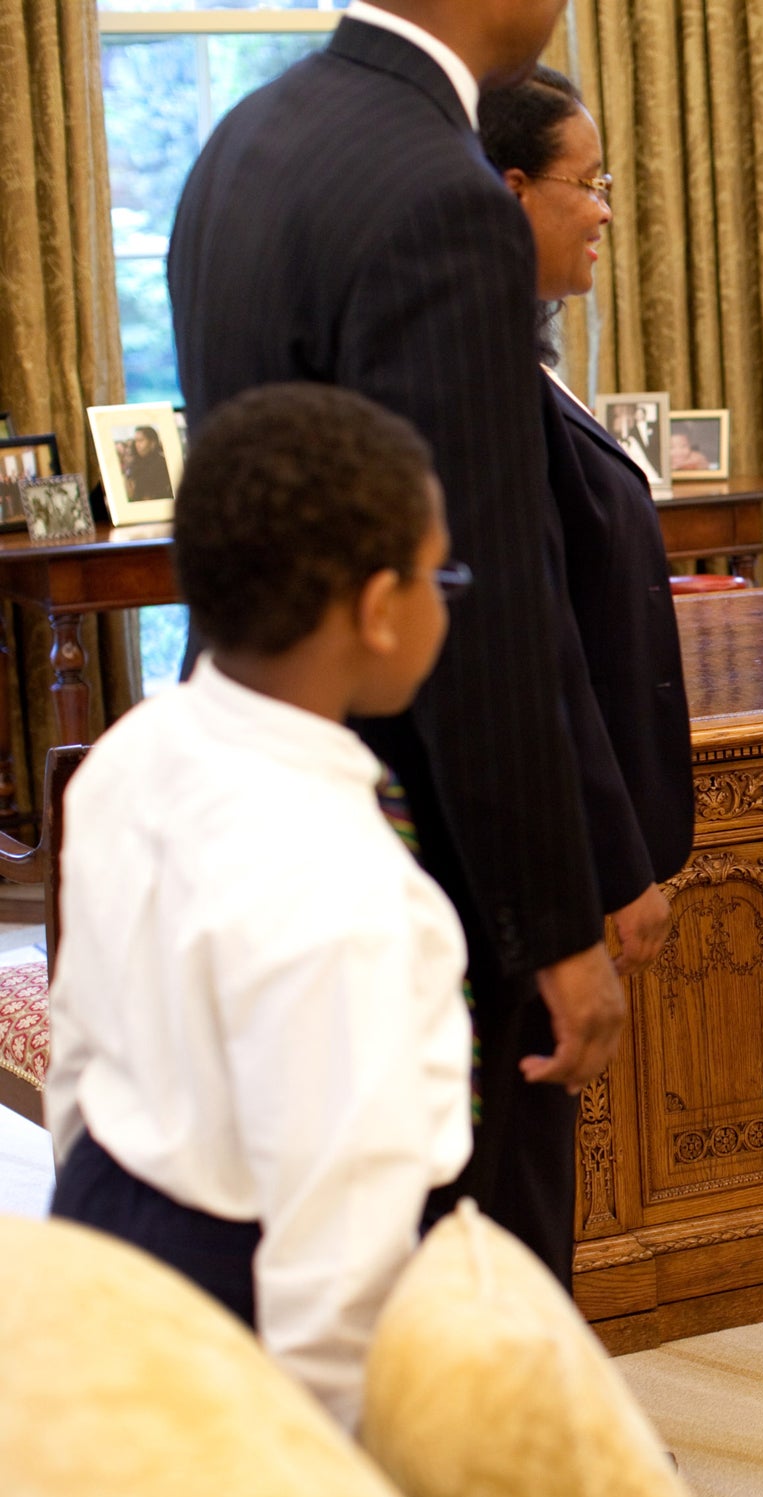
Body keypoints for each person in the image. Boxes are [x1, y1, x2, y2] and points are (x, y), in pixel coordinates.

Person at [166, 0, 629, 1289]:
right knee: (470, 1280)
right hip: (417, 846)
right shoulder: (441, 192)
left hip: (261, 786)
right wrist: (553, 925)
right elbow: (475, 596)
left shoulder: (246, 139)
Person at [45, 383, 472, 1429]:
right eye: (438, 575)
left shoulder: (130, 754)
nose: (445, 600)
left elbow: (78, 1050)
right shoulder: (350, 890)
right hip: (248, 1292)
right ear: (378, 611)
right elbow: (338, 1253)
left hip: (105, 1211)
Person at [478, 67, 694, 978]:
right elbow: (537, 650)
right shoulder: (483, 382)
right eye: (590, 181)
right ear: (512, 190)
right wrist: (613, 866)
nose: (606, 210)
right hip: (554, 867)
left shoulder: (524, 353)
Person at [123, 425, 173, 502]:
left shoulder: (162, 464)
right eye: (136, 441)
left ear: (152, 443)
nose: (137, 445)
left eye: (141, 440)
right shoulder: (135, 463)